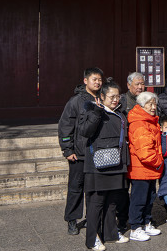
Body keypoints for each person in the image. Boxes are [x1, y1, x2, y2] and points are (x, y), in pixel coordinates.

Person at [77, 78, 129, 250]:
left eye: (117, 96)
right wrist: (97, 113)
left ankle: (110, 233)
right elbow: (84, 132)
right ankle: (92, 239)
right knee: (96, 203)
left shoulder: (120, 114)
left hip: (116, 163)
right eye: (111, 97)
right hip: (98, 166)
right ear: (101, 97)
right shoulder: (93, 111)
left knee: (112, 202)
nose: (115, 99)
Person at [58, 67, 103, 236]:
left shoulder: (103, 98)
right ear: (86, 81)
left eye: (100, 80)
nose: (98, 82)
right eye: (94, 79)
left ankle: (93, 217)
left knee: (95, 189)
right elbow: (65, 126)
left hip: (98, 153)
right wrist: (67, 149)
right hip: (79, 152)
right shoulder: (75, 101)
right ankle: (72, 219)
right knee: (76, 188)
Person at [127, 92, 163, 242]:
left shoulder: (149, 121)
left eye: (154, 104)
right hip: (141, 169)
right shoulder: (140, 123)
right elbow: (145, 153)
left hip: (148, 169)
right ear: (142, 105)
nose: (153, 107)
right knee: (139, 199)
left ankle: (146, 222)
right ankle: (135, 227)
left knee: (149, 198)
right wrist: (159, 162)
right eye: (150, 104)